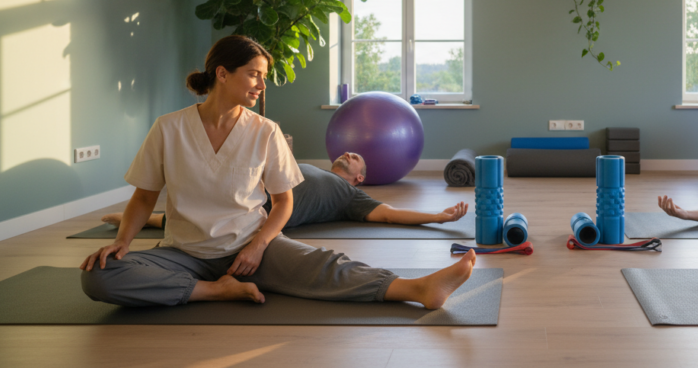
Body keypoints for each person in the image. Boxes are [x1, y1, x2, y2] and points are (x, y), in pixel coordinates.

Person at [80, 35, 475, 309]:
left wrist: (258, 245)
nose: (260, 85)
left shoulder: (264, 131)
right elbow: (144, 196)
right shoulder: (169, 128)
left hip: (251, 248)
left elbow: (284, 203)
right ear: (222, 73)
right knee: (99, 275)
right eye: (253, 74)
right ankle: (214, 292)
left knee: (326, 265)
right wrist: (123, 242)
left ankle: (418, 288)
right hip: (183, 253)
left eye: (263, 77)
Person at [100, 155, 469, 231]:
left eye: (356, 160)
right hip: (251, 190)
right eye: (348, 152)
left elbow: (389, 214)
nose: (349, 154)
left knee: (217, 219)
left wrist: (438, 216)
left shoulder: (349, 195)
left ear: (358, 179)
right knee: (201, 207)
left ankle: (146, 220)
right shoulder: (311, 167)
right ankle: (143, 218)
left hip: (260, 214)